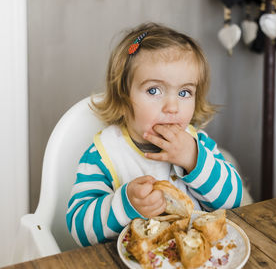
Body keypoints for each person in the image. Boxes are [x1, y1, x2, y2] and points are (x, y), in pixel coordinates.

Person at [66, 22, 243, 246]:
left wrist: (193, 160)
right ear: (123, 99)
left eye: (184, 92)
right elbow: (79, 230)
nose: (172, 106)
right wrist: (126, 203)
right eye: (154, 90)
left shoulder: (197, 145)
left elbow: (234, 201)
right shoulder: (103, 155)